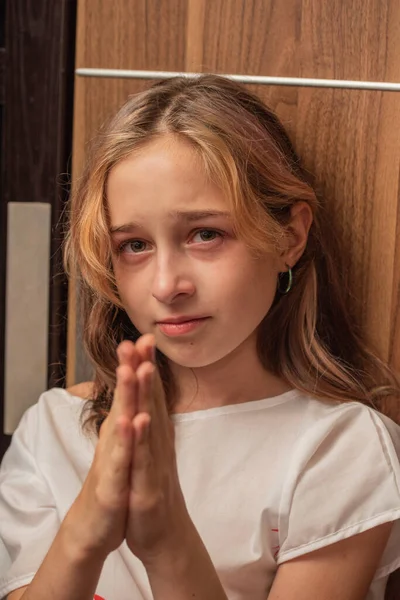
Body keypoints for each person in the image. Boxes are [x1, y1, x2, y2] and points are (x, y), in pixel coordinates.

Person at [1, 74, 400, 600]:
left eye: (205, 234)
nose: (167, 286)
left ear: (290, 236)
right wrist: (83, 533)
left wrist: (167, 542)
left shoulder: (339, 450)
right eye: (135, 245)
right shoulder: (51, 430)